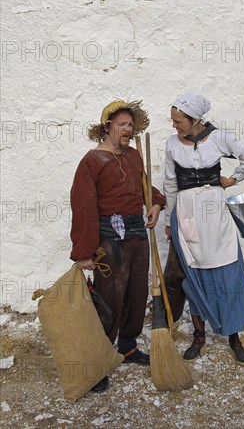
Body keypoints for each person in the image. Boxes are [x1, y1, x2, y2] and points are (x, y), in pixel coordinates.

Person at [70, 100, 165, 392]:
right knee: (110, 296)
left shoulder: (135, 156)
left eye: (130, 125)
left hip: (136, 230)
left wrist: (156, 204)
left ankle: (127, 346)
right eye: (122, 125)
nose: (128, 129)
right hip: (108, 235)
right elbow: (83, 206)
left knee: (137, 291)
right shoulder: (92, 160)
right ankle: (98, 359)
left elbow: (144, 187)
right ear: (107, 127)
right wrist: (84, 252)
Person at [164, 93, 244, 363]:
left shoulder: (219, 138)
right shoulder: (172, 144)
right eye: (173, 120)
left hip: (215, 213)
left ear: (195, 119)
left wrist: (232, 180)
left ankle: (234, 335)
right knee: (193, 275)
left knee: (227, 271)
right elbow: (171, 184)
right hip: (186, 213)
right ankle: (199, 335)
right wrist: (171, 220)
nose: (174, 125)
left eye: (178, 120)